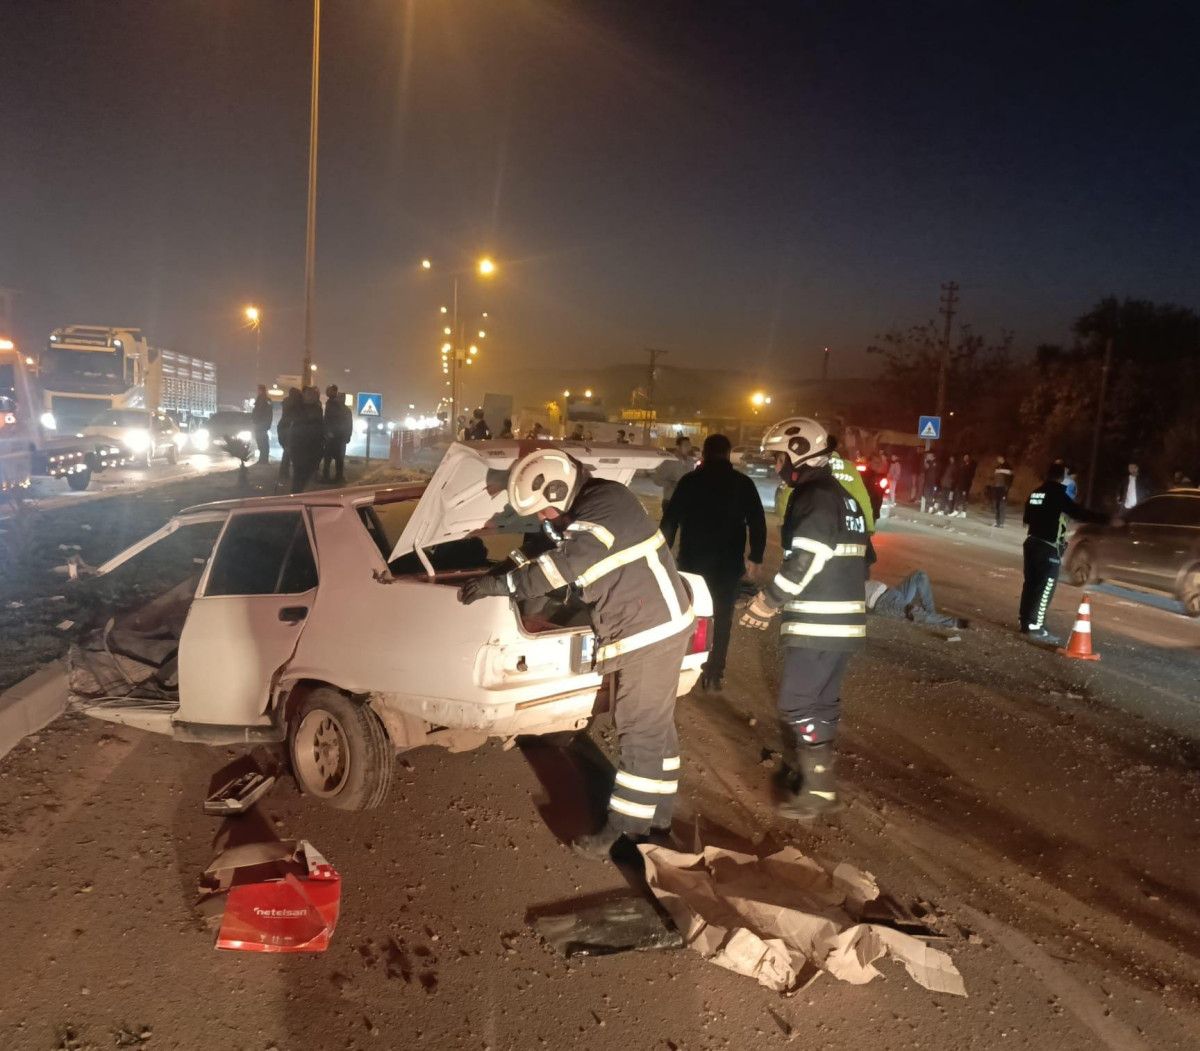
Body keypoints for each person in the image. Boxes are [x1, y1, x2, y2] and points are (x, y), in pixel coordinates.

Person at [458, 448, 694, 860]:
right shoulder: (593, 502)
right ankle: (657, 818)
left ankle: (624, 829)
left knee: (639, 731)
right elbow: (544, 549)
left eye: (543, 510)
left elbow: (559, 569)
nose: (543, 518)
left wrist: (501, 586)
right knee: (655, 728)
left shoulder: (601, 509)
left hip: (647, 632)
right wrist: (505, 569)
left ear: (558, 489)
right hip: (656, 625)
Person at [739, 416, 868, 823]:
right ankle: (816, 778)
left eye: (779, 458)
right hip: (845, 622)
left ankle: (819, 786)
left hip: (819, 622)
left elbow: (807, 559)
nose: (777, 466)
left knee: (795, 704)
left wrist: (769, 602)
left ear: (799, 454)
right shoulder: (844, 496)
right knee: (822, 703)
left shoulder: (814, 495)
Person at [661, 433, 766, 691]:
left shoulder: (690, 482)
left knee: (690, 615)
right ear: (728, 454)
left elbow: (670, 521)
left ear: (704, 454)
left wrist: (661, 554)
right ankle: (714, 673)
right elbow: (757, 522)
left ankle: (685, 665)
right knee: (722, 617)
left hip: (692, 564)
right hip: (727, 566)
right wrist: (755, 556)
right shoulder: (742, 483)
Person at [1019, 461, 1111, 644]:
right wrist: (1107, 520)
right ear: (1061, 477)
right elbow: (1079, 513)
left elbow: (1027, 518)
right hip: (1048, 547)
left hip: (1032, 543)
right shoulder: (1058, 494)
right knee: (1045, 588)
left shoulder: (1036, 493)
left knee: (1030, 585)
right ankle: (1037, 627)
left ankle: (1025, 622)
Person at [865, 572, 968, 629]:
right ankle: (955, 623)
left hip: (891, 592)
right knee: (912, 611)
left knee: (919, 576)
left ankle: (931, 615)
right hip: (883, 602)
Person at [288, 386, 326, 492]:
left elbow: (320, 427)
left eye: (313, 394)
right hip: (299, 447)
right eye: (309, 394)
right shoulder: (297, 408)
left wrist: (322, 442)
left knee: (307, 475)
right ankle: (296, 496)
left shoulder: (317, 408)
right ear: (303, 396)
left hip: (313, 448)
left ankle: (300, 495)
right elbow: (288, 425)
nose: (311, 396)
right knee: (299, 475)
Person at [651, 434, 696, 510]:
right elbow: (657, 480)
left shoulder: (690, 461)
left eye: (689, 445)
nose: (689, 448)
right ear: (678, 447)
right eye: (686, 445)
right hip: (671, 501)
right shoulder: (670, 461)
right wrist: (671, 484)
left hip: (687, 500)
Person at [320, 385, 352, 483]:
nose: (342, 399)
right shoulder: (334, 407)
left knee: (335, 459)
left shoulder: (341, 409)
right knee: (332, 458)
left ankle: (334, 476)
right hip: (335, 437)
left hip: (337, 438)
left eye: (343, 398)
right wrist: (327, 432)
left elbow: (349, 425)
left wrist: (347, 436)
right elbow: (327, 421)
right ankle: (333, 477)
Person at [275, 387, 302, 487]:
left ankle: (284, 472)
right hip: (290, 428)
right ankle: (285, 472)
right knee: (289, 452)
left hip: (284, 428)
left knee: (287, 451)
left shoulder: (287, 402)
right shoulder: (295, 403)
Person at [251, 385, 273, 465]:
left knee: (263, 442)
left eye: (259, 390)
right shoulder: (260, 399)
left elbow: (268, 413)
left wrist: (267, 423)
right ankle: (262, 459)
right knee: (261, 442)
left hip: (262, 424)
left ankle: (264, 459)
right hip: (259, 424)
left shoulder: (266, 400)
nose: (258, 391)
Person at [991, 456, 1014, 526]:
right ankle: (997, 521)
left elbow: (1011, 472)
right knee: (996, 504)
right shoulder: (998, 466)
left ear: (1003, 458)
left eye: (999, 458)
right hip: (997, 487)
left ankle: (1001, 522)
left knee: (1002, 504)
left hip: (1003, 488)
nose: (998, 459)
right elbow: (995, 474)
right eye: (997, 458)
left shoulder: (1007, 465)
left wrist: (1000, 470)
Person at [955, 453, 977, 517]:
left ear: (969, 458)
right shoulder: (962, 465)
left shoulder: (971, 466)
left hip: (966, 485)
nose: (965, 458)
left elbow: (970, 476)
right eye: (964, 457)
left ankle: (963, 512)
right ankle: (956, 511)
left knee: (964, 498)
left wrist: (966, 486)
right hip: (960, 484)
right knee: (958, 498)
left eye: (966, 457)